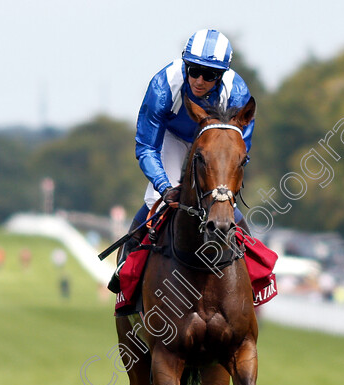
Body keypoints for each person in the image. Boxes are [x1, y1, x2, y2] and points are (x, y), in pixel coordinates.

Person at [109, 29, 255, 291]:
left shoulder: (238, 93)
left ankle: (254, 270)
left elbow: (239, 152)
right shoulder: (163, 87)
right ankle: (126, 263)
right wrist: (165, 187)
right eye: (193, 69)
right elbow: (146, 147)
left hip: (216, 143)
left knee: (221, 199)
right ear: (185, 65)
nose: (199, 80)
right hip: (173, 139)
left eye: (209, 74)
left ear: (222, 75)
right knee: (155, 200)